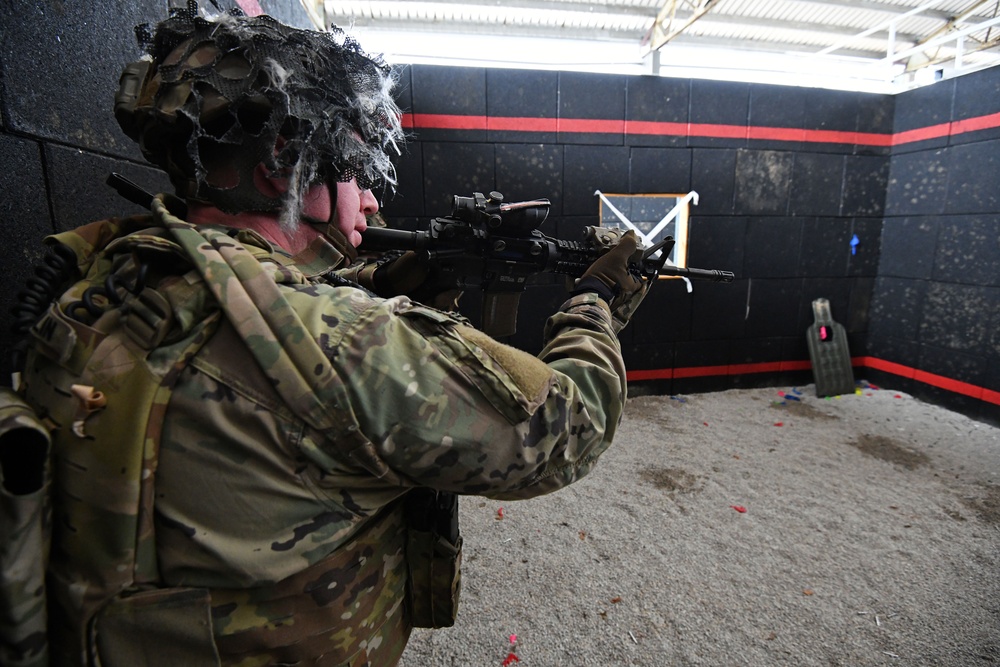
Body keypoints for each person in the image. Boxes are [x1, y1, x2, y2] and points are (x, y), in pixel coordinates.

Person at [0, 4, 650, 666]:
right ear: (284, 165)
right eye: (356, 170)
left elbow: (272, 302)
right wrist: (596, 301)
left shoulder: (103, 281)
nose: (370, 200)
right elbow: (570, 422)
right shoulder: (352, 343)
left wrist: (387, 280)